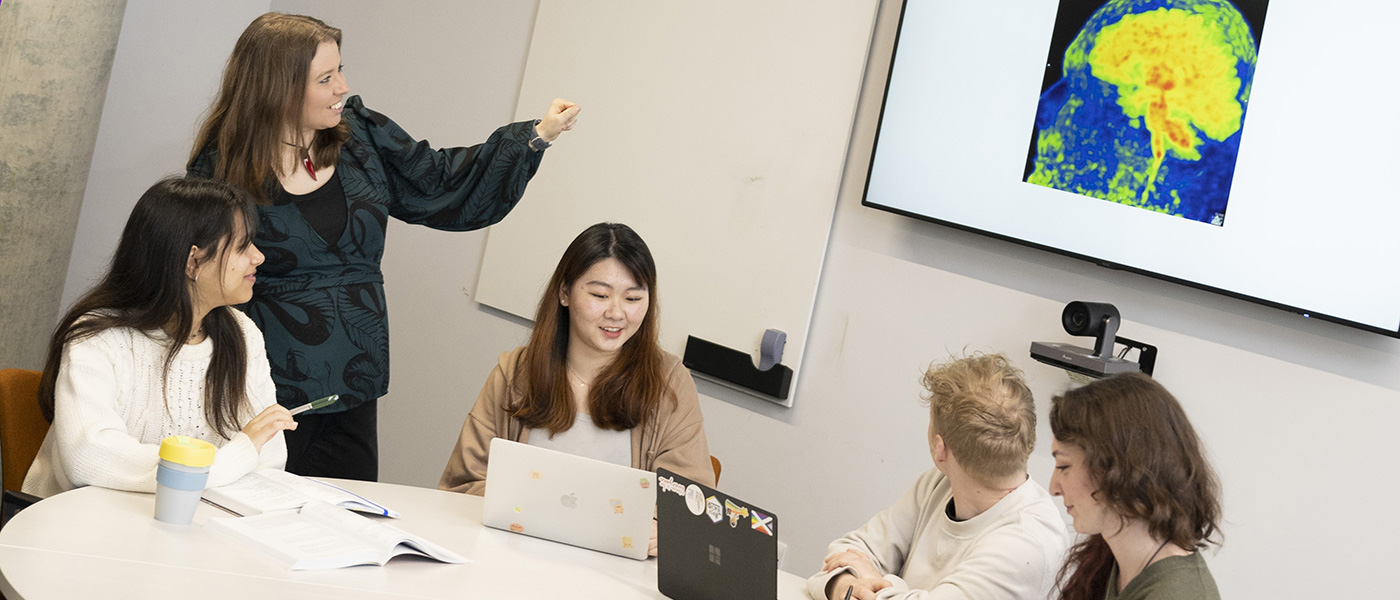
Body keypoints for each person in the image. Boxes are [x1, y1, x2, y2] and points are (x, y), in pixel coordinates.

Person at [185, 12, 580, 481]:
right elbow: (199, 282)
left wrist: (533, 139)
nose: (342, 87)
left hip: (354, 379)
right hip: (260, 384)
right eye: (326, 78)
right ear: (279, 87)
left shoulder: (361, 136)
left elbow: (440, 183)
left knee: (345, 525)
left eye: (341, 71)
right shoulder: (219, 169)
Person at [439, 223, 712, 550]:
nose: (616, 313)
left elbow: (691, 508)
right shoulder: (515, 372)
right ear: (565, 293)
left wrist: (662, 529)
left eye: (633, 298)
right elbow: (461, 485)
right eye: (599, 295)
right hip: (512, 555)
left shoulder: (669, 383)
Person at [23, 178, 293, 498]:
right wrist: (229, 460)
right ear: (193, 261)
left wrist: (212, 468)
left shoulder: (243, 334)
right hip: (82, 526)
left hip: (190, 522)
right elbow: (87, 457)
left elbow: (270, 458)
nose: (258, 257)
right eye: (242, 246)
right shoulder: (99, 337)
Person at [808, 353, 1071, 600]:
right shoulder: (938, 484)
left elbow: (862, 565)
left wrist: (874, 578)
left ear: (939, 448)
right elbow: (849, 551)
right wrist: (843, 584)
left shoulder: (1029, 543)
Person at [1048, 373, 1222, 600]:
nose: (1054, 488)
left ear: (1118, 470)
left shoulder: (1175, 594)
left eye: (1063, 466)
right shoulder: (1110, 558)